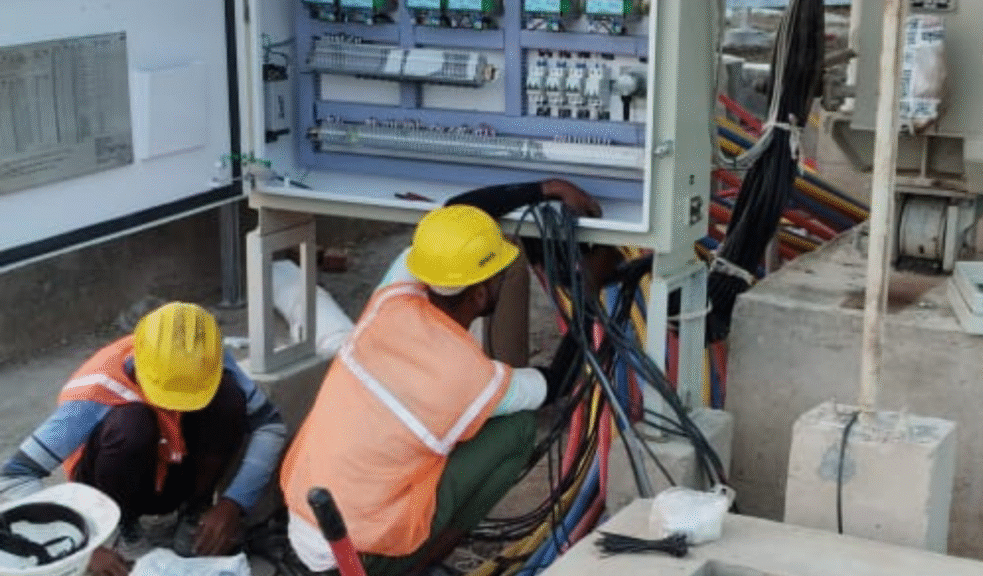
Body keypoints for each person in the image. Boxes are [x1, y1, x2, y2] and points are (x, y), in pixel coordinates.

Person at [279, 179, 608, 576]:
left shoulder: (394, 298)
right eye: (501, 274)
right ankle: (420, 564)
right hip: (360, 555)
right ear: (482, 293)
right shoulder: (472, 379)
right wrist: (588, 289)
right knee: (517, 429)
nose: (505, 277)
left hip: (304, 518)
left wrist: (546, 188)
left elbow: (455, 215)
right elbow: (556, 384)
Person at [0, 302, 288, 576]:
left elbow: (271, 425)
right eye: (169, 397)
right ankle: (120, 530)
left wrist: (233, 503)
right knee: (132, 425)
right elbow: (15, 475)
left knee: (227, 398)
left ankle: (195, 513)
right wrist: (85, 547)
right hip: (114, 483)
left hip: (175, 470)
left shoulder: (207, 360)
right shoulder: (96, 391)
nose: (178, 409)